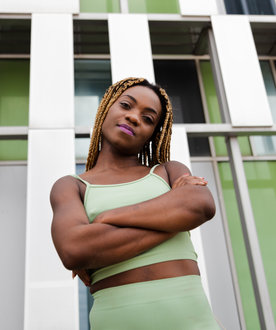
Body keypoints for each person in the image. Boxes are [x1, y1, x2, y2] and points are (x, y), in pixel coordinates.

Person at [50, 77, 220, 329]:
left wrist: (106, 218)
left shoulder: (168, 171)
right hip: (116, 318)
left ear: (153, 134)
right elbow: (74, 249)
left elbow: (200, 205)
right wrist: (172, 218)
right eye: (126, 105)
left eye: (148, 118)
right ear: (106, 108)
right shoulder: (72, 186)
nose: (133, 117)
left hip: (191, 316)